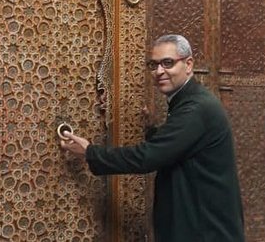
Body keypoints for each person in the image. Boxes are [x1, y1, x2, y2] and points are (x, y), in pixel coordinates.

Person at [60, 34, 245, 242]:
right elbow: (176, 146)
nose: (159, 71)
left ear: (188, 64)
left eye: (168, 63)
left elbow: (148, 157)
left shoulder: (197, 108)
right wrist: (150, 129)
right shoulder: (188, 103)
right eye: (154, 64)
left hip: (206, 231)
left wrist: (90, 152)